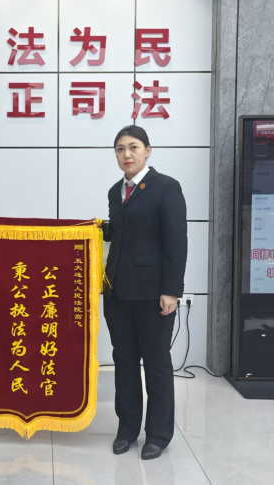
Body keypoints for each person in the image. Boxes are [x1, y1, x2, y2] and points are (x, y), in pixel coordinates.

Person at [102, 125, 188, 460]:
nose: (127, 154)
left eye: (133, 147)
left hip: (154, 295)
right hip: (118, 295)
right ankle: (127, 430)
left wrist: (171, 291)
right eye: (120, 149)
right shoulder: (115, 191)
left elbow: (176, 243)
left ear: (147, 151)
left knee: (156, 364)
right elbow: (119, 236)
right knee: (124, 364)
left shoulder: (166, 188)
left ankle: (159, 434)